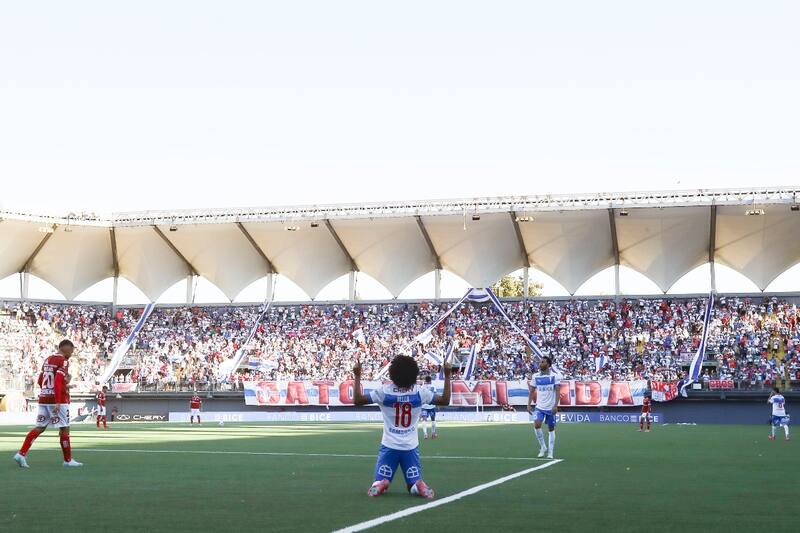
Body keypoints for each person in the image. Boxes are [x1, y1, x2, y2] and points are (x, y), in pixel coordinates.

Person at [353, 355, 452, 499]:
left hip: (389, 446)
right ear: (414, 373)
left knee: (378, 480)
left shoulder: (384, 391)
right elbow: (444, 400)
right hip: (410, 447)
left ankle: (380, 484)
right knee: (412, 483)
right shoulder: (420, 392)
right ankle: (418, 485)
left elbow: (358, 400)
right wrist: (448, 375)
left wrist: (357, 375)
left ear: (393, 373)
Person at [14, 340, 83, 468]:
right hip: (58, 401)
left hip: (44, 398)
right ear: (66, 348)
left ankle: (21, 454)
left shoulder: (47, 359)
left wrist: (53, 389)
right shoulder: (63, 361)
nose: (73, 353)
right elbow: (57, 380)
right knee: (64, 429)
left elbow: (41, 380)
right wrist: (57, 399)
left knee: (40, 427)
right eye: (72, 350)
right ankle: (68, 461)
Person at [527, 356, 560, 459]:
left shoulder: (555, 376)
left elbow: (558, 391)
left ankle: (550, 452)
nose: (540, 364)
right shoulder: (535, 376)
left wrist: (555, 405)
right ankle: (543, 447)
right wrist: (528, 404)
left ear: (548, 365)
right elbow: (532, 391)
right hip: (539, 407)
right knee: (537, 425)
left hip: (550, 407)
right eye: (540, 362)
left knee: (551, 429)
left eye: (543, 362)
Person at [419, 375, 438, 440]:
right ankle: (433, 433)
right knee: (433, 419)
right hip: (432, 406)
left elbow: (420, 396)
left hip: (424, 406)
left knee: (424, 419)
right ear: (430, 380)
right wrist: (437, 405)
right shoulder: (433, 387)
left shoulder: (422, 387)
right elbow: (435, 396)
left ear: (425, 380)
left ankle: (425, 434)